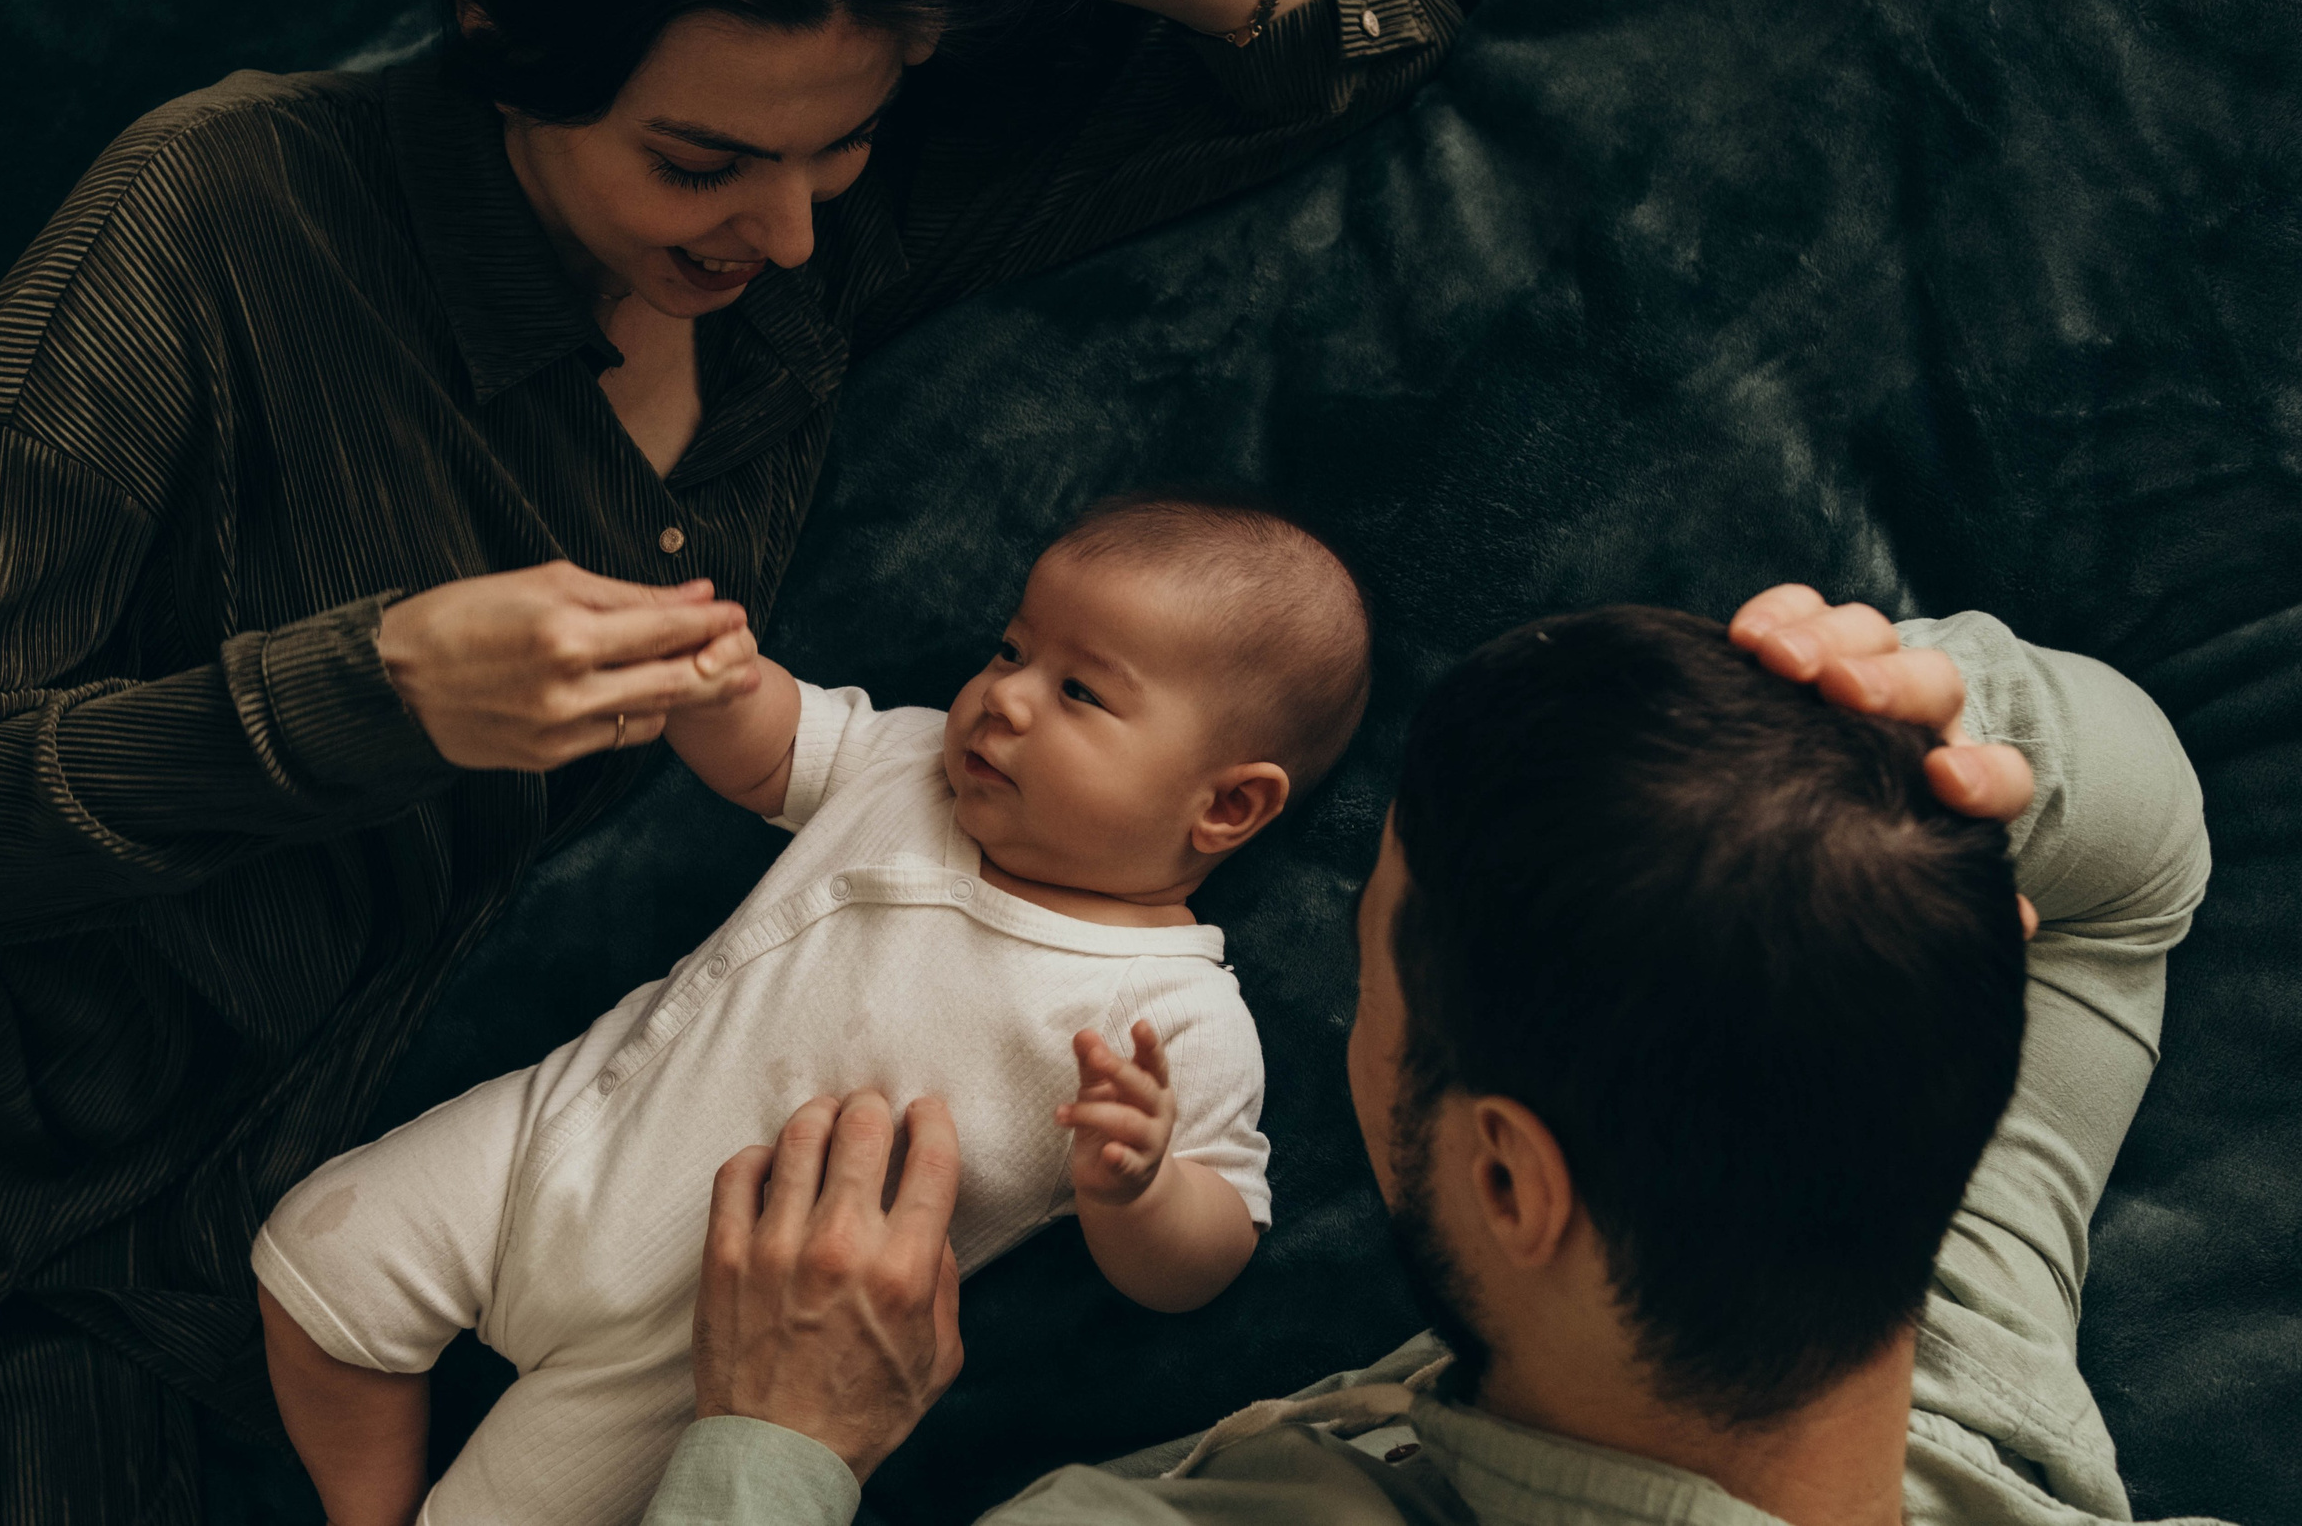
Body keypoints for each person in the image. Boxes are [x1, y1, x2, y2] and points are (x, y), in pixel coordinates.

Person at [0, 0, 1458, 1515]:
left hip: (171, 1281)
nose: (783, 234)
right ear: (504, 43)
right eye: (701, 162)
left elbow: (1365, 32)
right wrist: (370, 690)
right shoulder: (230, 211)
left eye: (844, 143)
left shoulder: (806, 222)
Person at [635, 584, 2219, 1526]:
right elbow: (2140, 838)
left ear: (1510, 1172)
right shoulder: (1985, 1386)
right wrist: (1860, 748)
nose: (1342, 967)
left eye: (1379, 947)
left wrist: (777, 1435)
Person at [248, 494, 1370, 1524]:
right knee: (313, 1257)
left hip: (711, 1351)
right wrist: (714, 680)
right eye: (1011, 648)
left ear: (1227, 804)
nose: (1004, 699)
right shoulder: (906, 771)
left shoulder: (1173, 1016)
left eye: (1079, 691)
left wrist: (1143, 1183)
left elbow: (1202, 1261)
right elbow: (768, 750)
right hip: (560, 1140)